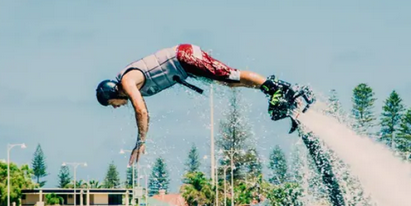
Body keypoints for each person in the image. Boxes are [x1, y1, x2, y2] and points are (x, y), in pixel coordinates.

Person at [96, 44, 312, 165]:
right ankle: (275, 92)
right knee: (230, 82)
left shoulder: (126, 81)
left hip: (185, 56)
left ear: (111, 93)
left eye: (111, 104)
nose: (115, 107)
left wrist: (140, 141)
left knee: (229, 76)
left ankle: (280, 89)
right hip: (185, 63)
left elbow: (141, 110)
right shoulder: (128, 81)